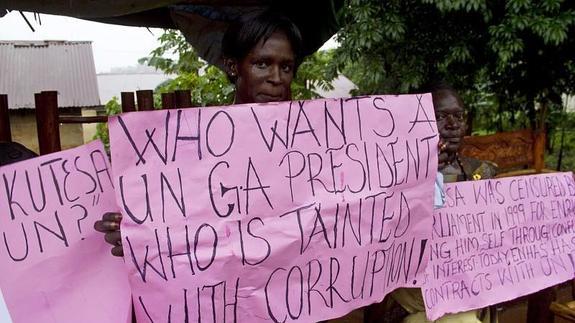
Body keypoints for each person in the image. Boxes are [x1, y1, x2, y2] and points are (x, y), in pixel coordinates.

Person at [94, 9, 303, 256]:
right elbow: (174, 220)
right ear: (232, 65)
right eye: (262, 63)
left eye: (287, 67)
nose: (276, 78)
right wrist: (133, 232)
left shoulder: (314, 146)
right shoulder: (189, 145)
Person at [389, 84, 497, 323]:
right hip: (414, 299)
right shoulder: (395, 176)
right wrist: (427, 173)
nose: (452, 124)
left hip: (467, 289)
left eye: (458, 116)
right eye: (440, 117)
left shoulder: (481, 172)